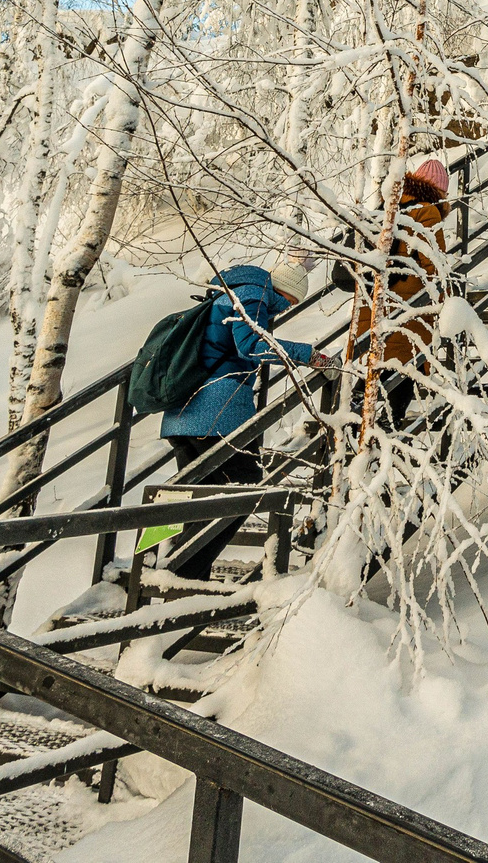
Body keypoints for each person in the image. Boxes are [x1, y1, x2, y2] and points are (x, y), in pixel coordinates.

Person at [159, 260, 323, 580]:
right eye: (291, 301)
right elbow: (250, 345)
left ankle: (173, 571)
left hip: (183, 414)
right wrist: (307, 355)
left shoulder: (229, 293)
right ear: (283, 291)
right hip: (214, 413)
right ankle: (184, 571)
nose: (288, 308)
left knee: (196, 500)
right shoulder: (252, 295)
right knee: (245, 486)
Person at [336, 161, 449, 431]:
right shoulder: (427, 211)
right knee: (402, 372)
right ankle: (384, 432)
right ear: (440, 191)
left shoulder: (387, 208)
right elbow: (434, 267)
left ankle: (349, 426)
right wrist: (443, 300)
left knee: (381, 370)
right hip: (406, 310)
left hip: (374, 304)